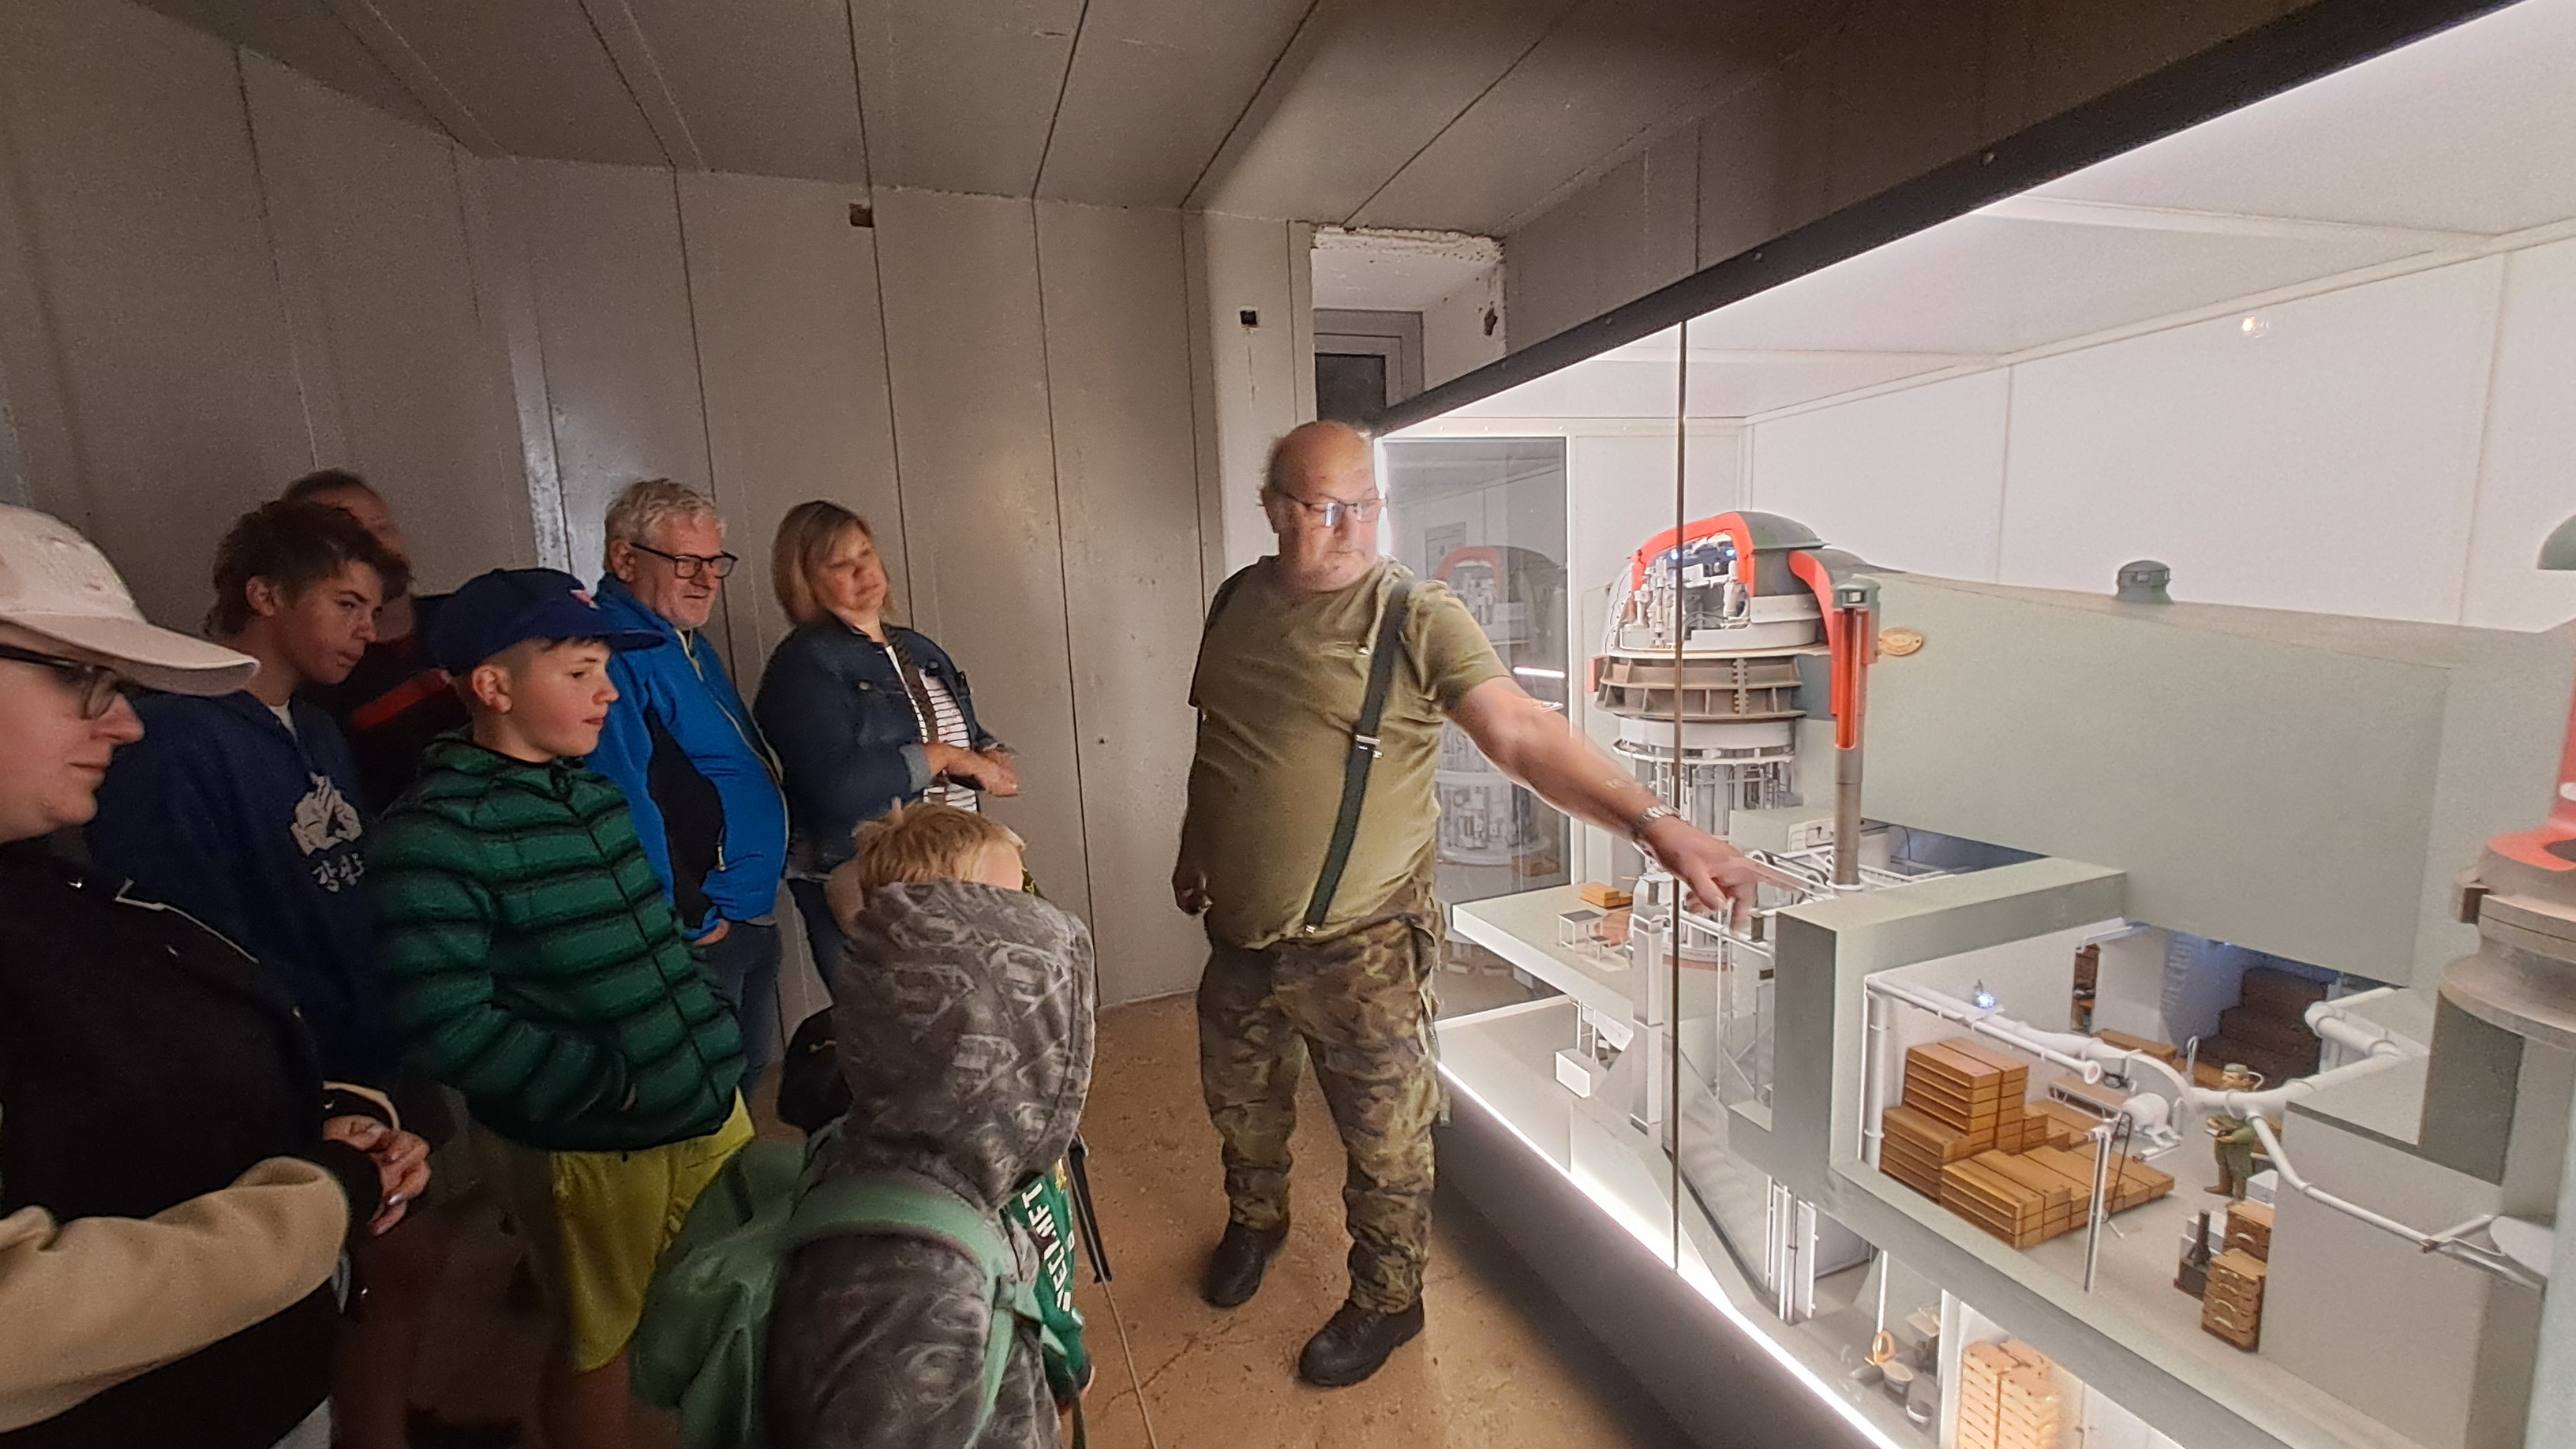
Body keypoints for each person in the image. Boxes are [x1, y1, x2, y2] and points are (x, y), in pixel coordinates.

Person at [1175, 421, 1786, 1387]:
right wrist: (1194, 850)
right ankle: (1257, 1221)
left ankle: (1390, 1299)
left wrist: (1655, 825)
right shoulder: (1234, 603)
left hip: (1363, 948)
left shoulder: (1413, 616)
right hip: (1241, 936)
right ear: (1273, 508)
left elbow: (1523, 733)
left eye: (1364, 505)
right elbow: (1223, 743)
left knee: (1387, 1141)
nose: (1349, 528)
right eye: (1322, 507)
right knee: (1241, 1105)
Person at [0, 504, 426, 1448]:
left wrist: (301, 1105)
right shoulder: (184, 750)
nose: (124, 723)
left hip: (238, 1376)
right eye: (78, 678)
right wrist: (317, 1194)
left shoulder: (40, 887)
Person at [369, 567, 750, 1449]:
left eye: (605, 668)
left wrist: (705, 1027)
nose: (607, 690)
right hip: (593, 1142)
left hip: (699, 1103)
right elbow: (446, 1022)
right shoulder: (436, 833)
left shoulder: (592, 795)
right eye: (579, 671)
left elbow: (654, 934)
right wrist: (605, 1083)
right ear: (493, 686)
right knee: (600, 1343)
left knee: (720, 1291)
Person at [766, 803, 1095, 1449]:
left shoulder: (992, 1115)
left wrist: (1059, 1354)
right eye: (1002, 913)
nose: (1031, 925)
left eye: (1026, 896)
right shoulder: (903, 1289)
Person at [754, 500, 1018, 989]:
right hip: (865, 874)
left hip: (951, 860)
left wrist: (988, 753)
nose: (864, 571)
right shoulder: (803, 666)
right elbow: (838, 788)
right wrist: (945, 757)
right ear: (804, 581)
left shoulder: (917, 648)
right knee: (891, 1020)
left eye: (866, 553)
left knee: (966, 1009)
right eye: (841, 564)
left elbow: (960, 729)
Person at [585, 480, 789, 1088]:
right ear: (625, 560)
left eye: (714, 563)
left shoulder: (684, 642)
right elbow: (624, 797)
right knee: (705, 1096)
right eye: (685, 562)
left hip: (745, 909)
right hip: (702, 926)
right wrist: (695, 917)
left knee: (742, 1083)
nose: (705, 579)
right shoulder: (616, 651)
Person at [283, 470, 467, 816]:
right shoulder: (315, 679)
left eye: (382, 528)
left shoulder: (471, 619)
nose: (377, 546)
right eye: (349, 538)